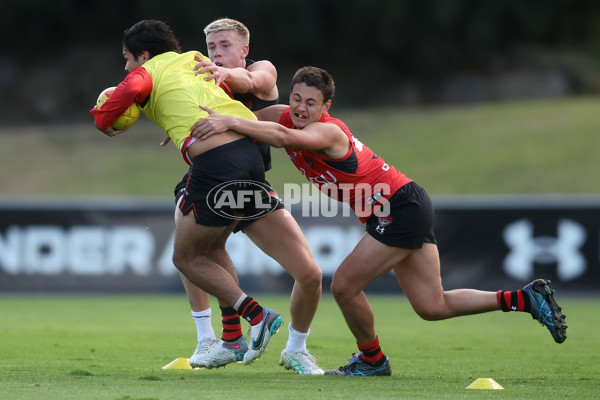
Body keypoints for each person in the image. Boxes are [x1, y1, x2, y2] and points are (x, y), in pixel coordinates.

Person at [188, 66, 568, 376]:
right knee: (431, 305)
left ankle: (372, 360)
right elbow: (248, 123)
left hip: (399, 207)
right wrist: (201, 125)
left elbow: (282, 137)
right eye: (297, 99)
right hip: (402, 205)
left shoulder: (328, 131)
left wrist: (232, 122)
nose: (302, 108)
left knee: (344, 285)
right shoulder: (283, 118)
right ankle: (524, 298)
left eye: (312, 103)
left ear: (327, 106)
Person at [89, 19, 287, 366]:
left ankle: (257, 317)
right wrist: (175, 119)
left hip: (218, 163)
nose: (126, 66)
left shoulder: (145, 72)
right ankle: (231, 338)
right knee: (211, 248)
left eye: (127, 58)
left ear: (144, 55)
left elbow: (108, 114)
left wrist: (106, 118)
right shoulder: (195, 59)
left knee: (185, 258)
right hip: (250, 156)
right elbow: (219, 98)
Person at [165, 18, 323, 374]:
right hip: (211, 181)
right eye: (211, 48)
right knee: (193, 250)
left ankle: (296, 349)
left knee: (311, 274)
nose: (216, 54)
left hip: (251, 188)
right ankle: (212, 338)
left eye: (224, 46)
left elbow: (255, 81)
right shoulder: (200, 82)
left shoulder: (258, 70)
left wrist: (225, 79)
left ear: (244, 50)